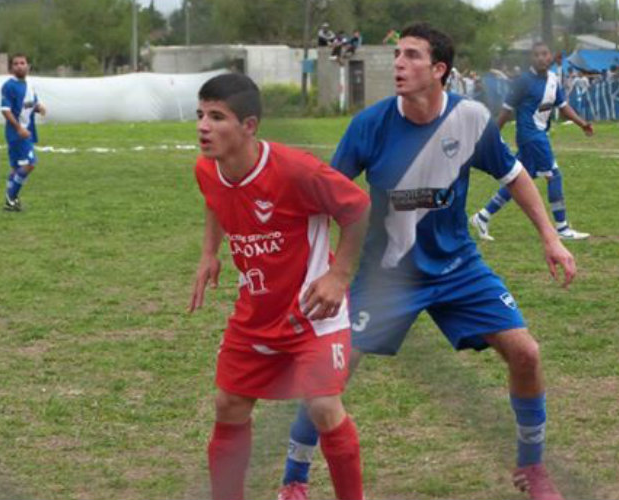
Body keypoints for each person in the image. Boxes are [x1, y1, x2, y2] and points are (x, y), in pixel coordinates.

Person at [278, 23, 575, 500]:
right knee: (329, 371)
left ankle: (533, 468)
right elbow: (327, 196)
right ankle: (294, 478)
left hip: (457, 266)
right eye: (398, 55)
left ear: (439, 70)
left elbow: (516, 175)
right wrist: (324, 270)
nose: (399, 64)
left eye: (412, 56)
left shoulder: (470, 120)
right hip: (384, 274)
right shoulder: (370, 126)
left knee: (526, 353)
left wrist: (550, 239)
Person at [189, 73, 370, 500]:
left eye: (217, 117)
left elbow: (359, 209)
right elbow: (216, 199)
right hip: (256, 312)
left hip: (314, 312)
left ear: (249, 126)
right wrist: (209, 253)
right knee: (229, 405)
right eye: (200, 115)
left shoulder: (295, 169)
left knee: (324, 407)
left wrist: (339, 275)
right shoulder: (207, 169)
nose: (203, 126)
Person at [471, 42, 594, 241]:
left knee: (517, 179)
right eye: (536, 55)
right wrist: (490, 138)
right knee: (554, 175)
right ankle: (562, 229)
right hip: (530, 136)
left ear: (550, 57)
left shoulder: (553, 80)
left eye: (544, 54)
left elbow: (563, 107)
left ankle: (483, 216)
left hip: (538, 135)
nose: (540, 58)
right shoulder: (522, 82)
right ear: (531, 58)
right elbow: (505, 112)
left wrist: (582, 124)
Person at [0, 53, 46, 211]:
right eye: (16, 63)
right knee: (30, 164)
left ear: (28, 66)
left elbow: (32, 103)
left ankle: (10, 199)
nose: (19, 66)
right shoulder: (9, 86)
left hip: (27, 130)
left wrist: (39, 108)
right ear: (11, 68)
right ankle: (11, 197)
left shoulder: (30, 84)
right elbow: (5, 111)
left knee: (16, 168)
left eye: (22, 63)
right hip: (17, 133)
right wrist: (19, 128)